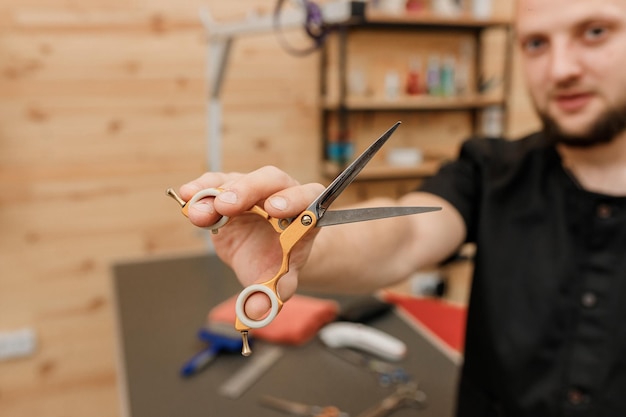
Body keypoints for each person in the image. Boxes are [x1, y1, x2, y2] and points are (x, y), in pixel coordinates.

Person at [177, 0, 626, 415]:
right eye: (535, 43)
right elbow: (404, 237)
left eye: (595, 32)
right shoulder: (491, 169)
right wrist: (296, 244)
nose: (561, 68)